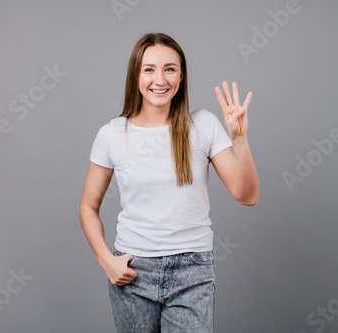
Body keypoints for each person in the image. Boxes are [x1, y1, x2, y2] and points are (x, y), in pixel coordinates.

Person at [79, 32, 259, 333]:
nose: (159, 79)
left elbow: (247, 195)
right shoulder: (111, 134)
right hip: (133, 271)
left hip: (193, 272)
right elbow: (87, 206)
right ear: (136, 74)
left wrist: (239, 138)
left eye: (169, 69)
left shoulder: (204, 124)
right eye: (149, 69)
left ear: (181, 75)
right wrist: (105, 260)